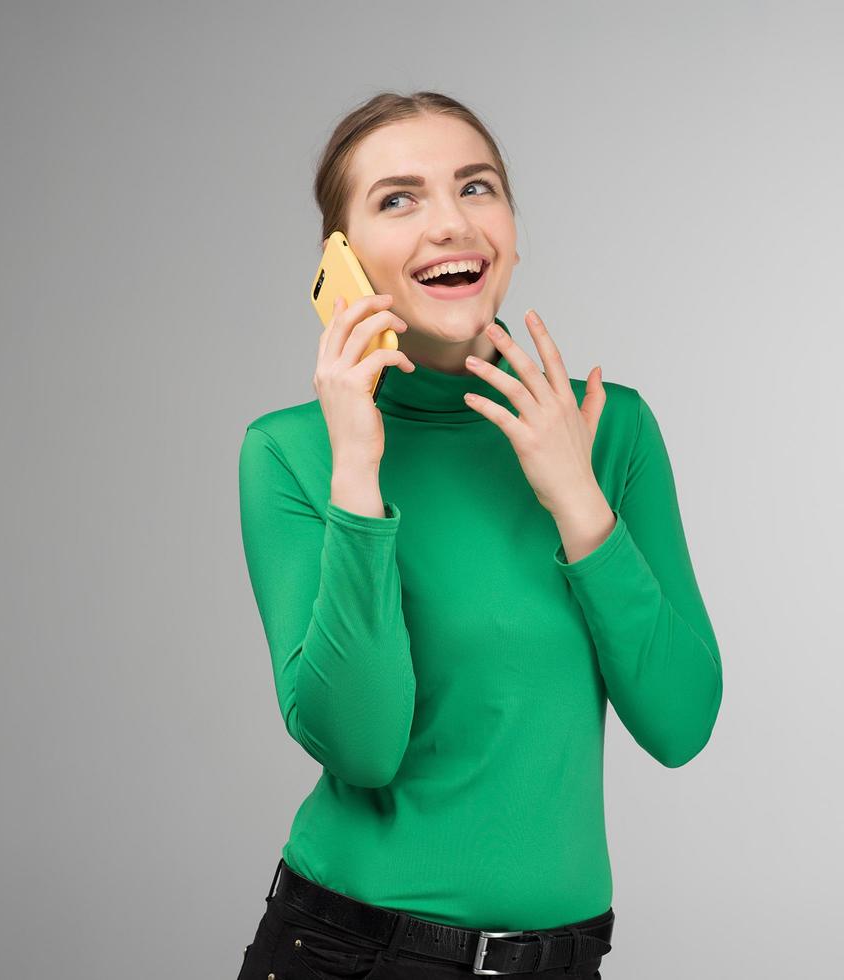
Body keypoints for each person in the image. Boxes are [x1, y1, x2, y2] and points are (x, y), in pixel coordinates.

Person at [235, 90, 723, 978]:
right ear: (338, 261)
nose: (449, 224)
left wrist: (577, 500)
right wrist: (357, 474)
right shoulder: (291, 452)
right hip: (352, 953)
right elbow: (362, 744)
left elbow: (681, 723)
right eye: (398, 198)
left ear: (511, 227)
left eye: (476, 187)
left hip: (562, 960)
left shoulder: (609, 432)